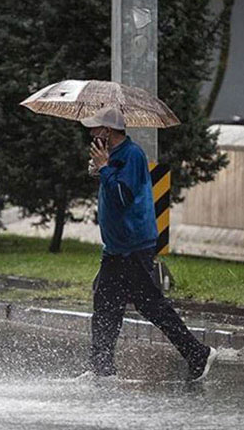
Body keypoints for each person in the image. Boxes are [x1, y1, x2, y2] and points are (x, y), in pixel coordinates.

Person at [81, 106, 217, 381]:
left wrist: (105, 169)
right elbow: (110, 186)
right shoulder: (113, 155)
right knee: (106, 304)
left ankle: (198, 353)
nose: (91, 133)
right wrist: (98, 169)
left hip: (133, 245)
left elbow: (122, 197)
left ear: (108, 131)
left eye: (95, 128)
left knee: (150, 304)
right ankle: (101, 368)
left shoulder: (131, 155)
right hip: (116, 248)